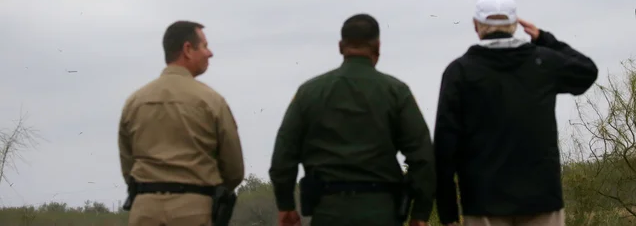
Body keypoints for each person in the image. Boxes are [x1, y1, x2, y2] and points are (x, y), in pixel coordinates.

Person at [433, 0, 599, 226]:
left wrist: (448, 212)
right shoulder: (543, 62)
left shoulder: (460, 72)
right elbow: (587, 71)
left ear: (475, 25)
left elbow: (444, 145)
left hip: (484, 202)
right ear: (515, 25)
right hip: (542, 200)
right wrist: (544, 38)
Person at [269, 14, 436, 226]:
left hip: (328, 211)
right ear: (378, 46)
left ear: (341, 46)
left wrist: (286, 206)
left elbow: (283, 156)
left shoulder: (308, 93)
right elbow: (422, 158)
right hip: (382, 212)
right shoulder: (396, 92)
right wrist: (420, 214)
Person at [118, 21, 245, 226]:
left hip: (144, 210)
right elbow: (233, 170)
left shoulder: (134, 102)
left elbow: (128, 165)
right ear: (187, 49)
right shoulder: (212, 101)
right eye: (204, 46)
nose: (209, 53)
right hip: (194, 209)